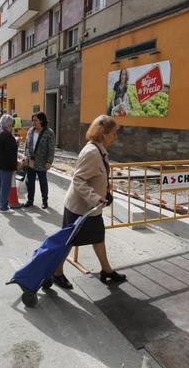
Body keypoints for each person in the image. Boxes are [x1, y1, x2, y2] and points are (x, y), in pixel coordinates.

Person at [51, 115, 127, 289]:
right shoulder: (92, 152)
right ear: (104, 133)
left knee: (98, 237)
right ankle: (56, 273)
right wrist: (95, 198)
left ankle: (106, 270)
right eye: (114, 133)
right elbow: (78, 179)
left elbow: (97, 176)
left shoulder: (100, 150)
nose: (115, 136)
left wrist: (105, 191)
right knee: (68, 241)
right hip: (80, 208)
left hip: (91, 208)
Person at [23, 112, 55, 209]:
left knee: (43, 182)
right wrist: (25, 157)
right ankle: (30, 200)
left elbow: (51, 149)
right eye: (33, 121)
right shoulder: (30, 131)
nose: (34, 123)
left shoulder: (49, 133)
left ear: (41, 120)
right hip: (31, 161)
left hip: (42, 162)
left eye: (35, 120)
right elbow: (26, 145)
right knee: (30, 182)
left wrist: (49, 162)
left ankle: (45, 201)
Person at [0, 114, 18, 213]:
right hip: (6, 165)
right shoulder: (7, 135)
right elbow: (11, 152)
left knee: (0, 185)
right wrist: (15, 166)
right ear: (8, 125)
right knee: (5, 186)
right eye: (11, 125)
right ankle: (3, 207)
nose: (12, 127)